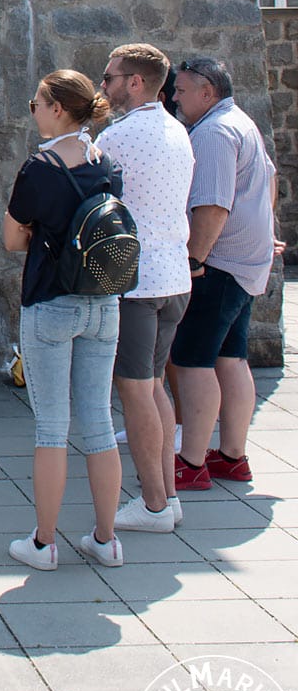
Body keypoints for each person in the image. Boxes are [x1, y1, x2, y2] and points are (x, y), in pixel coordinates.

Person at [3, 69, 124, 570]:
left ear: (56, 108)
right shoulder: (105, 162)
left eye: (36, 103)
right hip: (103, 301)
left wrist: (41, 235)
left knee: (52, 428)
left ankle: (44, 543)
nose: (32, 110)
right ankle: (106, 539)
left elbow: (12, 239)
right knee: (99, 420)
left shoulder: (40, 167)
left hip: (51, 301)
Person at [100, 43, 194, 533]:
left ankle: (154, 504)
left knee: (136, 392)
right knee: (154, 387)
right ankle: (167, 497)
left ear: (135, 82)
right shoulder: (178, 130)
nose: (103, 86)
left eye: (110, 78)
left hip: (136, 282)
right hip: (174, 275)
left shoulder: (119, 136)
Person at [170, 56, 276, 490]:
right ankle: (232, 456)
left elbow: (213, 206)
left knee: (192, 361)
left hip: (218, 265)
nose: (174, 97)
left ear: (207, 92)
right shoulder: (240, 122)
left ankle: (191, 463)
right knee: (231, 359)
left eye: (181, 90)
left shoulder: (213, 132)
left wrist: (194, 260)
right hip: (244, 264)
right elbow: (269, 182)